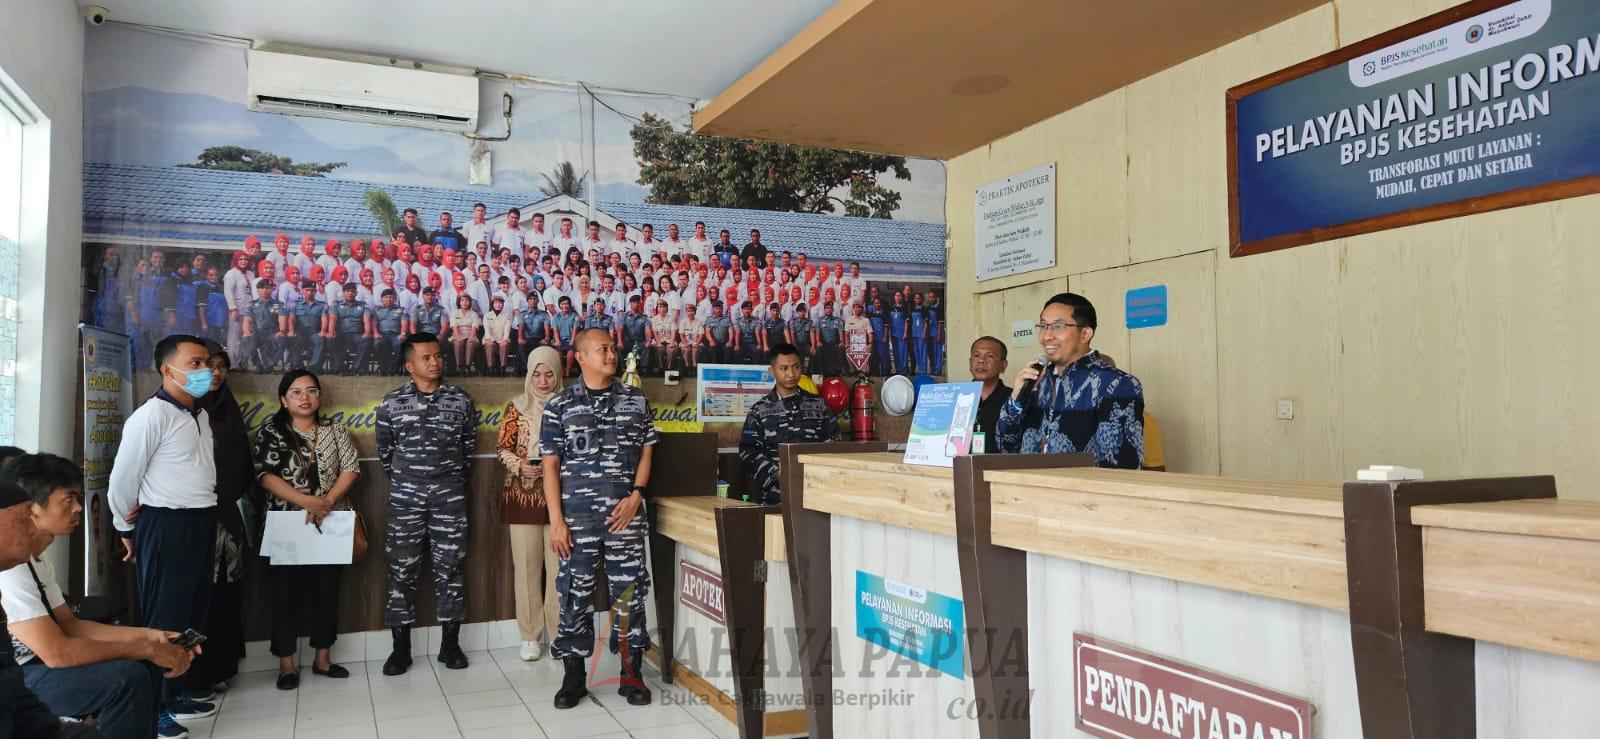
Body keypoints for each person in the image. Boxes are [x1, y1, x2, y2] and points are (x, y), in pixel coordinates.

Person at [2, 454, 196, 739]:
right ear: (33, 509)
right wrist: (144, 647)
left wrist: (152, 637)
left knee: (146, 662)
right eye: (68, 500)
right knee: (126, 679)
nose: (79, 508)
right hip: (25, 676)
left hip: (39, 666)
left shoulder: (37, 561)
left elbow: (72, 626)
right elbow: (57, 653)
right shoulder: (11, 568)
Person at [106, 335, 219, 725]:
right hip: (166, 524)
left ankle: (175, 692)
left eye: (207, 362)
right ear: (167, 369)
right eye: (195, 363)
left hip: (202, 520)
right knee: (163, 617)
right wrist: (126, 528)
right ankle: (152, 709)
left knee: (192, 611)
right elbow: (122, 480)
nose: (205, 370)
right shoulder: (151, 416)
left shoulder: (200, 414)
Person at [541, 329, 656, 709]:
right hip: (577, 521)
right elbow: (551, 466)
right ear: (582, 357)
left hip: (625, 518)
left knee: (630, 595)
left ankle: (631, 673)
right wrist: (556, 521)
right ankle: (574, 678)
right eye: (603, 349)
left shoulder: (635, 400)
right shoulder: (560, 405)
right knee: (575, 594)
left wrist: (637, 494)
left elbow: (646, 450)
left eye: (612, 348)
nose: (611, 354)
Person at [376, 333, 478, 675]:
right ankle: (400, 649)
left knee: (450, 569)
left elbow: (468, 450)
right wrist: (410, 483)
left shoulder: (461, 401)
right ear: (409, 365)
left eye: (438, 356)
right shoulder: (390, 404)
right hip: (405, 499)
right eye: (426, 358)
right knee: (402, 570)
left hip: (448, 497)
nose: (435, 362)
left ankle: (450, 645)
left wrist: (443, 481)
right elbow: (386, 453)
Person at [252, 370, 359, 690]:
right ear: (284, 400)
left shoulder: (334, 429)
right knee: (285, 596)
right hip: (286, 522)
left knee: (327, 592)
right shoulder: (272, 431)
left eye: (311, 391)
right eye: (296, 392)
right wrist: (305, 501)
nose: (305, 397)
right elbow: (264, 475)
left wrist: (326, 501)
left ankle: (322, 658)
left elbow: (351, 467)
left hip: (330, 522)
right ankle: (287, 665)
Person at [0, 479, 105, 739]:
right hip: (34, 675)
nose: (32, 529)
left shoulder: (32, 563)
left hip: (18, 711)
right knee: (124, 678)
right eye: (24, 518)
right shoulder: (10, 576)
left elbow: (12, 687)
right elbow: (56, 652)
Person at [996, 293, 1144, 468]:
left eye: (1058, 326)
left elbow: (1121, 466)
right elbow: (1005, 446)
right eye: (1043, 326)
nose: (1046, 336)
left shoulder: (1116, 384)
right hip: (1029, 490)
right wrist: (1016, 399)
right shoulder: (1037, 381)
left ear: (1085, 334)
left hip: (1078, 493)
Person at [185, 347, 250, 700]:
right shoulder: (179, 410)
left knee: (226, 592)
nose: (215, 373)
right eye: (207, 366)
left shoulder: (227, 406)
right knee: (198, 594)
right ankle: (192, 676)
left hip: (227, 515)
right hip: (192, 517)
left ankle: (220, 665)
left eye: (221, 367)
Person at [496, 347, 563, 662]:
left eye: (549, 373)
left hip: (560, 498)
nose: (543, 380)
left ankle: (560, 634)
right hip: (522, 496)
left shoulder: (569, 406)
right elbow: (502, 447)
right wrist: (519, 465)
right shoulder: (516, 407)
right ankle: (530, 636)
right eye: (537, 373)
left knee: (559, 569)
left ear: (558, 374)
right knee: (526, 568)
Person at [738, 344, 838, 504]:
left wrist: (818, 474)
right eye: (784, 368)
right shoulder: (759, 410)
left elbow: (834, 442)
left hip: (817, 494)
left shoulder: (819, 405)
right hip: (776, 496)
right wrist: (776, 474)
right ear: (772, 371)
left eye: (795, 367)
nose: (791, 374)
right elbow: (748, 450)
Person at [968, 337, 1011, 454]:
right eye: (976, 355)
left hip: (999, 469)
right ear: (970, 362)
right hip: (960, 469)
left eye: (990, 356)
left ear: (1003, 366)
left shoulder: (1014, 400)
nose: (981, 360)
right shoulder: (956, 397)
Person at [444, 294, 482, 376]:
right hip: (457, 335)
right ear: (459, 302)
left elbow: (474, 327)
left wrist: (471, 337)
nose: (464, 302)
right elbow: (454, 327)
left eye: (466, 300)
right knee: (458, 343)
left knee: (470, 343)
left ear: (469, 302)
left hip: (471, 335)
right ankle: (459, 366)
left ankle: (467, 367)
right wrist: (458, 338)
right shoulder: (454, 313)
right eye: (462, 300)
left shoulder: (474, 314)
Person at [483, 295, 515, 376]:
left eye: (500, 303)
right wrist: (490, 339)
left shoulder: (507, 316)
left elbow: (507, 329)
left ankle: (502, 368)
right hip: (490, 338)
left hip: (502, 338)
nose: (498, 305)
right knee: (490, 346)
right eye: (496, 303)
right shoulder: (487, 315)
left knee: (504, 346)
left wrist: (505, 340)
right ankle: (491, 368)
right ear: (492, 304)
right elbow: (487, 329)